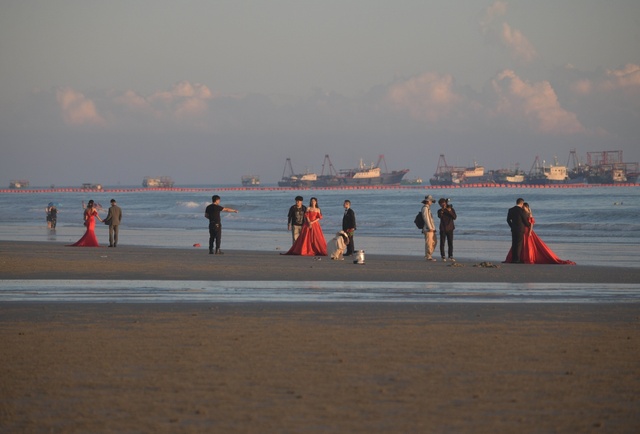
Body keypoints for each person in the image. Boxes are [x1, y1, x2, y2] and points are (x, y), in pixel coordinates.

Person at [505, 203, 576, 265]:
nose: (523, 208)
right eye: (523, 207)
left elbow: (531, 224)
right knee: (520, 244)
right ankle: (518, 258)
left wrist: (530, 231)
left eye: (525, 207)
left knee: (525, 245)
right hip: (523, 231)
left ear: (527, 207)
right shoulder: (523, 213)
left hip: (527, 231)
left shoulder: (528, 214)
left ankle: (523, 258)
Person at [506, 197, 531, 263]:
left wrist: (512, 226)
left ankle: (513, 259)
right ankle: (517, 259)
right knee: (518, 244)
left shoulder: (511, 210)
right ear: (522, 203)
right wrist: (529, 224)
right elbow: (524, 219)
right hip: (520, 229)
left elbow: (508, 220)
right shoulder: (521, 211)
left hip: (513, 229)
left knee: (514, 243)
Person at [437, 198, 457, 262]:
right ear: (440, 205)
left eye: (444, 203)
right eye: (441, 204)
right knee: (442, 243)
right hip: (443, 228)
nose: (443, 205)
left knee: (450, 243)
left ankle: (450, 256)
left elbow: (454, 217)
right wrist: (442, 210)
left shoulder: (451, 209)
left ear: (446, 203)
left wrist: (450, 211)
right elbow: (439, 216)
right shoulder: (439, 211)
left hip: (450, 228)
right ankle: (443, 256)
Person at [421, 195, 437, 261]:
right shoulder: (425, 208)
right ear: (428, 201)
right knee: (429, 242)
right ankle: (428, 256)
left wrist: (433, 228)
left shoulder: (427, 208)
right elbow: (426, 218)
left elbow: (430, 219)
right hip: (428, 229)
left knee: (433, 242)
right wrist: (430, 227)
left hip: (430, 228)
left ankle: (428, 255)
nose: (431, 203)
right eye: (431, 201)